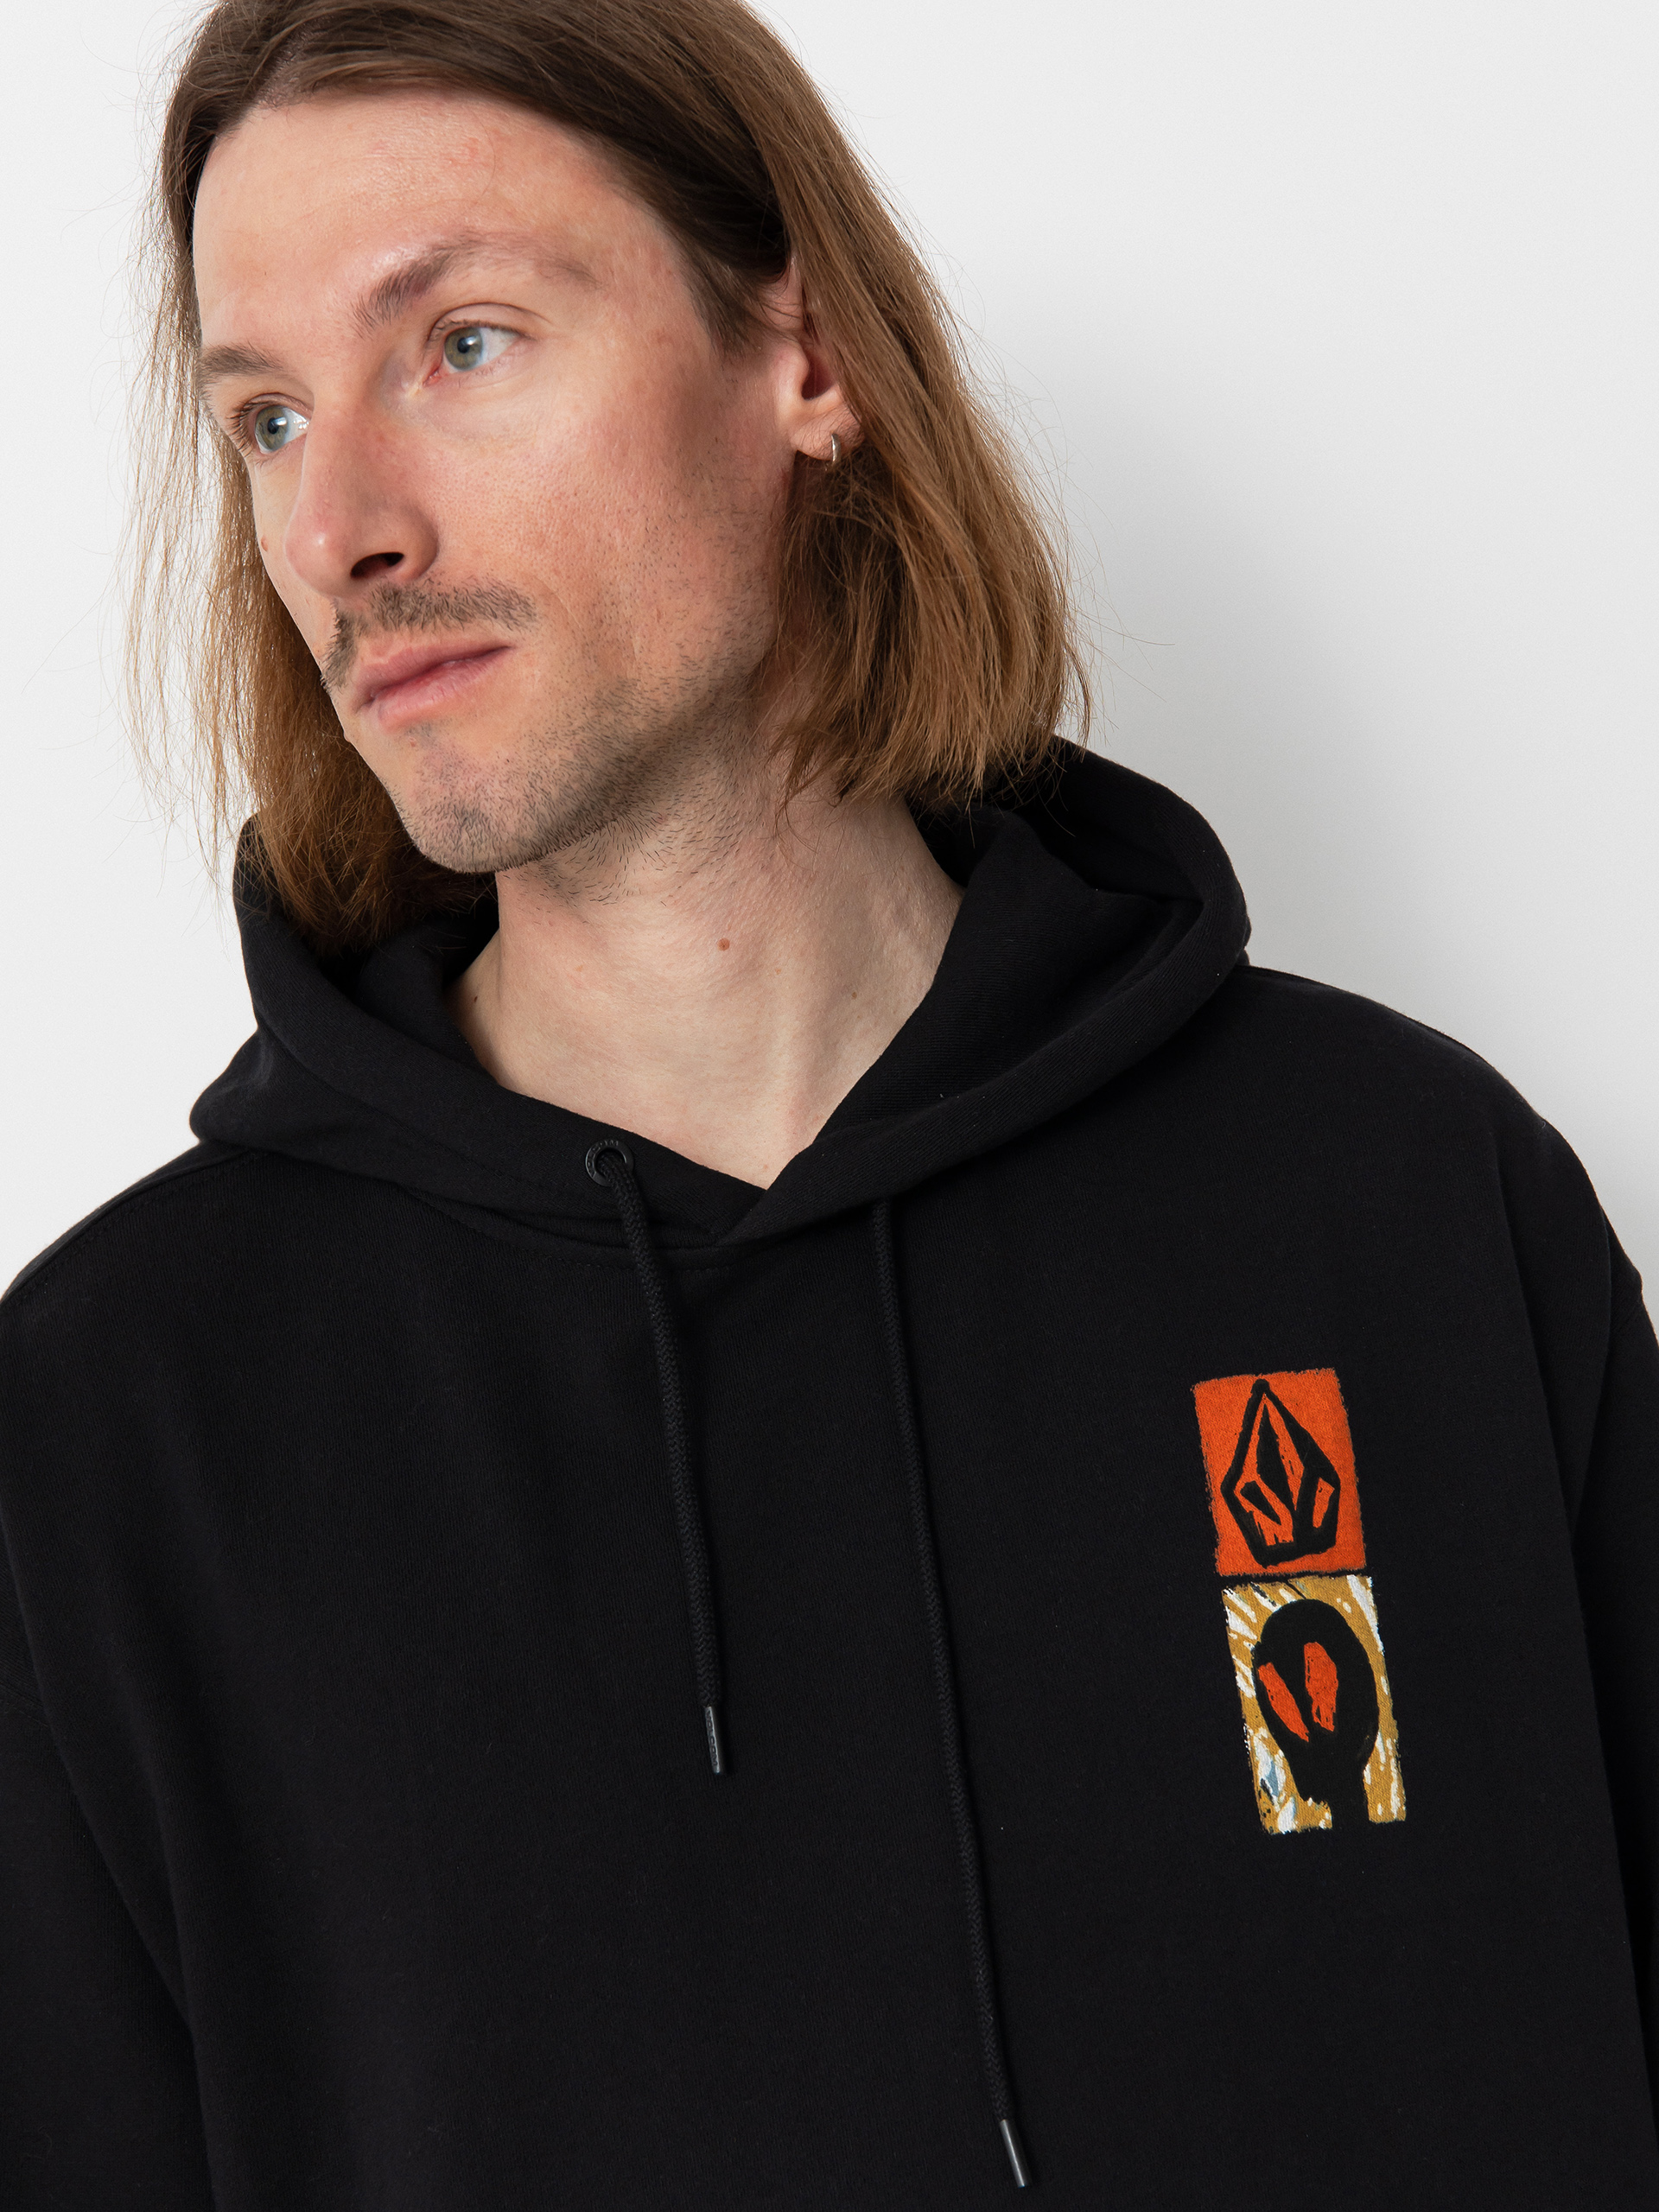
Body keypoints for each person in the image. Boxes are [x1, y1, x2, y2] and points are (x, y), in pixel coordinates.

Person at [1, 0, 1654, 2202]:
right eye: (269, 417)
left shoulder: (1406, 1201)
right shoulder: (113, 1430)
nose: (339, 525)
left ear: (804, 354)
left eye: (463, 345)